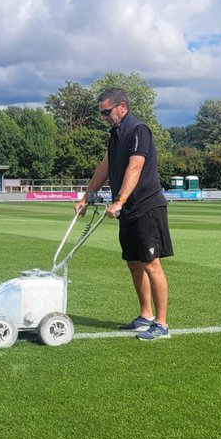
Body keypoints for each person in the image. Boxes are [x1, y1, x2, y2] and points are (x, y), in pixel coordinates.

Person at [74, 87, 173, 340]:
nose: (104, 117)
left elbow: (135, 167)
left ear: (122, 107)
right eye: (101, 113)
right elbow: (104, 167)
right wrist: (86, 196)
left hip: (146, 206)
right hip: (127, 209)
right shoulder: (115, 135)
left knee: (152, 264)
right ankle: (145, 316)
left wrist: (119, 200)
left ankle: (161, 324)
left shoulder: (139, 130)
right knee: (133, 263)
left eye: (106, 112)